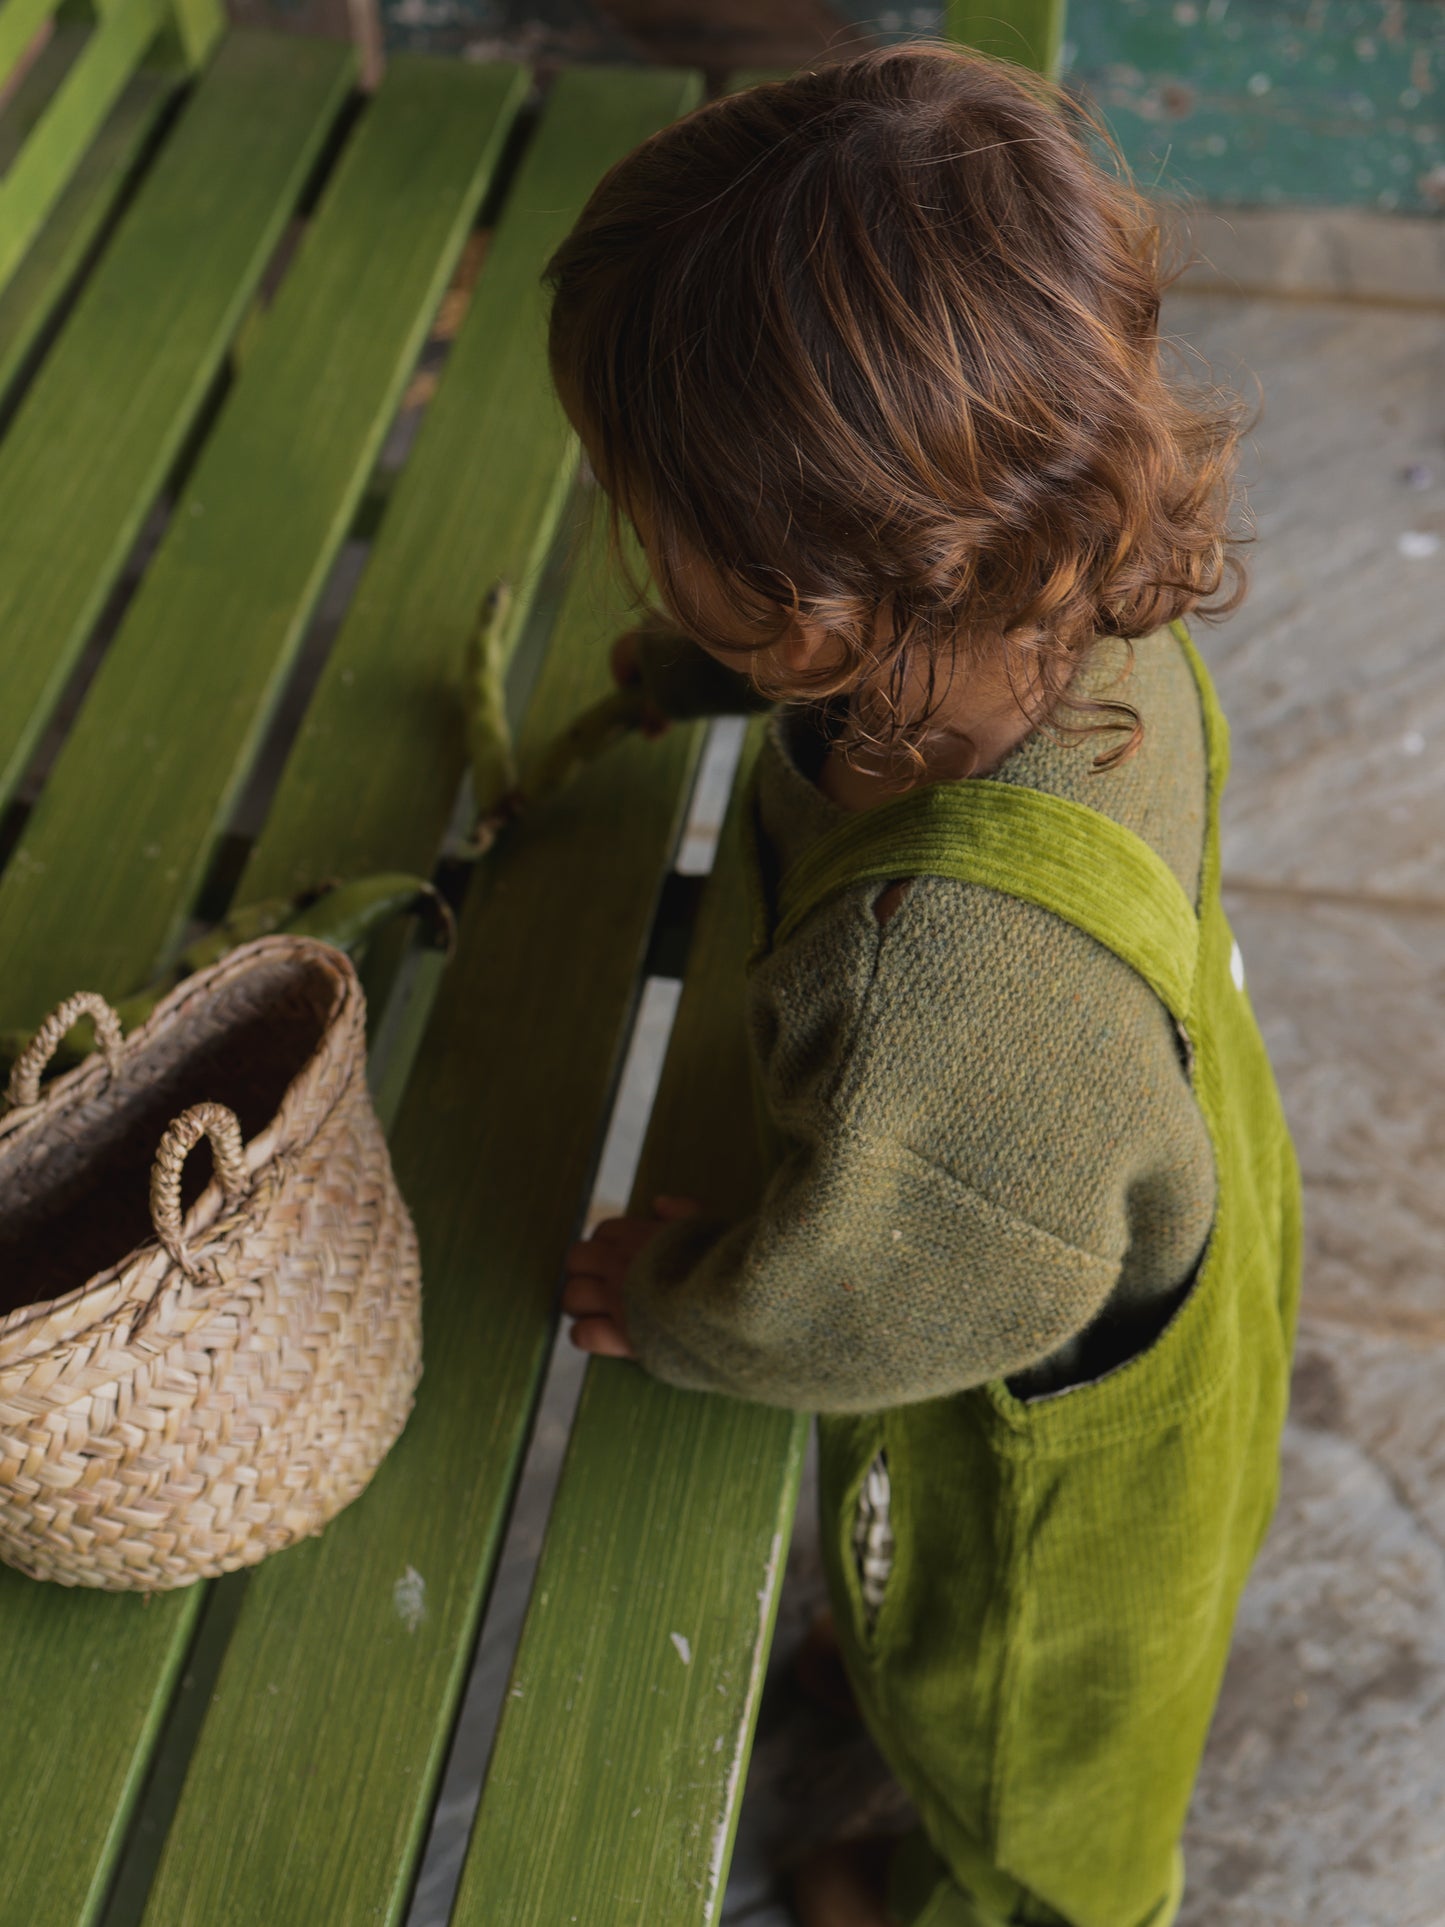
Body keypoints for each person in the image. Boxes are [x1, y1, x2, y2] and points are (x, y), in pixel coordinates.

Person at [549, 40, 1302, 1927]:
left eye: (660, 525)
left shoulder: (940, 1001)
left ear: (820, 609)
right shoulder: (1071, 601)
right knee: (948, 1669)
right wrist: (715, 662)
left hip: (1056, 1459)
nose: (635, 540)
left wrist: (680, 1299)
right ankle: (892, 1717)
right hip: (1139, 1196)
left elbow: (858, 1308)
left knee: (1037, 1771)